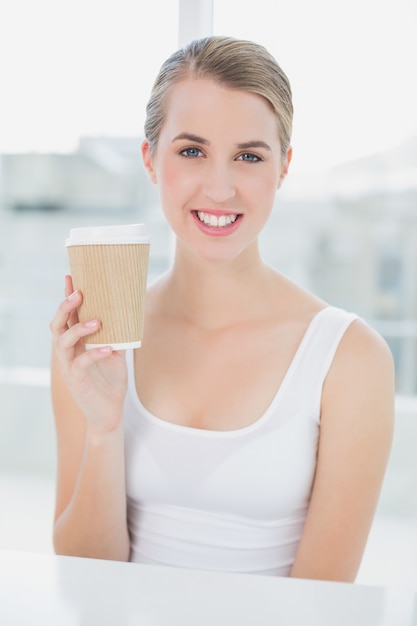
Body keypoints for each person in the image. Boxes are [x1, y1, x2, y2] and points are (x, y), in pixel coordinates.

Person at [50, 35, 395, 581]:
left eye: (249, 156)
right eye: (191, 151)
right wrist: (104, 427)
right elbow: (82, 577)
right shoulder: (97, 336)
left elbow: (324, 606)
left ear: (283, 167)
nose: (220, 187)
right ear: (150, 159)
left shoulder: (349, 359)